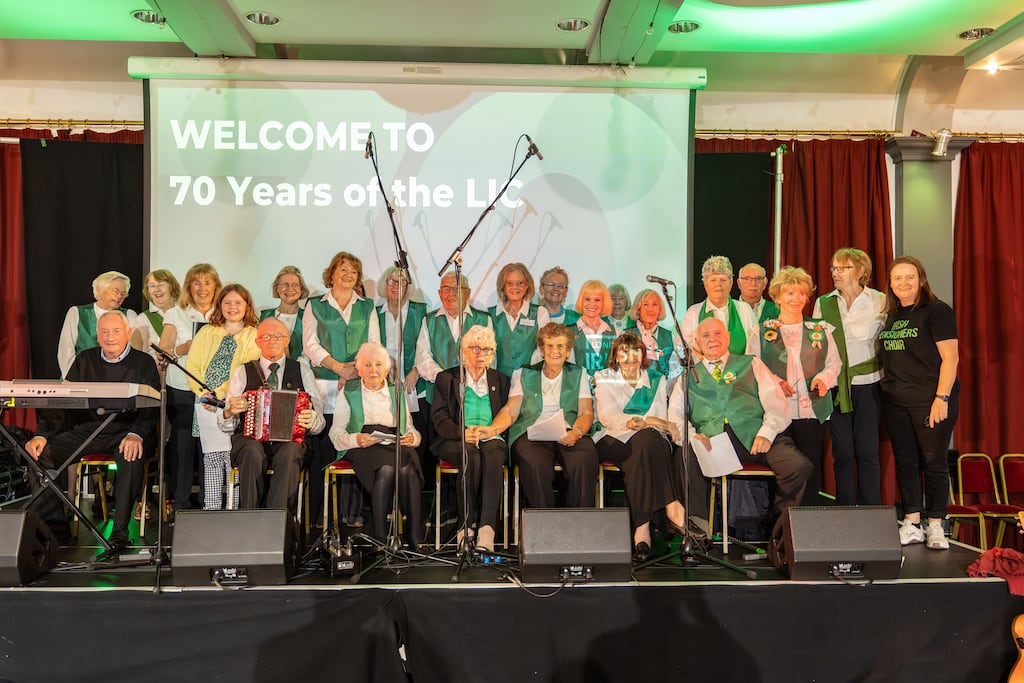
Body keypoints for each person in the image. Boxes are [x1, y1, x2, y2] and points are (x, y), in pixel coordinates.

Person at [26, 311, 160, 552]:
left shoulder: (144, 363)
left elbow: (152, 410)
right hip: (89, 432)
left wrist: (137, 433)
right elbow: (62, 403)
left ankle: (120, 530)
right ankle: (53, 527)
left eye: (116, 331)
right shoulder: (84, 360)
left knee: (131, 454)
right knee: (37, 455)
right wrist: (41, 435)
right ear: (97, 336)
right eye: (104, 332)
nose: (110, 338)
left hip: (126, 432)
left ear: (128, 334)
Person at [670, 317, 812, 529]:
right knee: (685, 455)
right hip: (713, 442)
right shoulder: (687, 376)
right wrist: (692, 436)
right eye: (706, 336)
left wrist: (766, 432)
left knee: (799, 467)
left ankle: (778, 530)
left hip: (755, 437)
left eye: (718, 333)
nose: (713, 339)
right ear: (697, 344)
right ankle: (698, 530)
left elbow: (776, 402)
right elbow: (675, 415)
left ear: (728, 337)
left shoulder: (751, 363)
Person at [880, 256, 959, 551]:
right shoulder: (891, 315)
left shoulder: (937, 312)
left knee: (934, 462)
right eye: (897, 278)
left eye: (910, 277)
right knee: (906, 463)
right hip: (896, 402)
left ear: (921, 279)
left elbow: (951, 359)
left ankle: (936, 524)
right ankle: (912, 522)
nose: (904, 283)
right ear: (889, 283)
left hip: (930, 400)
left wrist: (942, 398)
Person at [748, 266, 840, 505]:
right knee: (786, 470)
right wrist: (777, 383)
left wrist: (823, 379)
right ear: (777, 297)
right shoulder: (762, 331)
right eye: (789, 293)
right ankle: (782, 527)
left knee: (811, 467)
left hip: (812, 410)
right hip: (777, 412)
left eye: (801, 293)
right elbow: (753, 366)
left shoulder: (819, 330)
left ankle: (810, 528)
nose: (796, 299)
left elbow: (834, 364)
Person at [302, 251, 380, 526]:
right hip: (324, 382)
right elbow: (310, 345)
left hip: (358, 383)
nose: (348, 275)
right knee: (323, 442)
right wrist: (338, 367)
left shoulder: (367, 306)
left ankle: (351, 511)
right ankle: (320, 512)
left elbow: (374, 343)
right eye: (343, 269)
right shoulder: (315, 305)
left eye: (353, 271)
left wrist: (355, 370)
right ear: (331, 274)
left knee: (352, 440)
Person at [593, 333, 684, 561]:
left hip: (647, 442)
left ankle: (641, 531)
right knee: (648, 442)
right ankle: (672, 507)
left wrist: (649, 422)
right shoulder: (604, 377)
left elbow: (660, 417)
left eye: (636, 351)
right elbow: (608, 417)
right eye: (624, 351)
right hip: (613, 438)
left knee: (643, 450)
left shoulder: (656, 378)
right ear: (615, 355)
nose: (630, 357)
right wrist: (643, 422)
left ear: (644, 354)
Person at [219, 317, 325, 511]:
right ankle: (249, 519)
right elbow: (226, 425)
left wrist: (313, 419)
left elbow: (318, 418)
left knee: (291, 451)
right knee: (251, 450)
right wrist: (230, 412)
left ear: (287, 341)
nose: (272, 341)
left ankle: (276, 522)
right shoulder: (243, 371)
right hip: (250, 442)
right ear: (258, 342)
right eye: (266, 336)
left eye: (278, 336)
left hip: (289, 442)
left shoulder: (302, 370)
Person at [490, 323, 598, 509]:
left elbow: (586, 412)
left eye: (560, 346)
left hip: (568, 431)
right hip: (532, 434)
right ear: (541, 350)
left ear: (567, 351)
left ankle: (579, 524)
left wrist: (577, 432)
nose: (554, 351)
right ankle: (544, 524)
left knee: (583, 459)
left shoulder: (579, 373)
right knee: (535, 464)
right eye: (549, 346)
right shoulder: (523, 373)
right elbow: (510, 410)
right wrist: (493, 429)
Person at [328, 342, 423, 547]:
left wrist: (412, 438)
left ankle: (415, 538)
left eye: (379, 364)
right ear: (359, 369)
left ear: (387, 368)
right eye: (368, 365)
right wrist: (356, 440)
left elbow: (411, 428)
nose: (373, 370)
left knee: (409, 470)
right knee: (387, 469)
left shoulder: (395, 390)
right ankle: (380, 537)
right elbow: (335, 434)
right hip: (364, 445)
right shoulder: (350, 391)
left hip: (394, 442)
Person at [813, 248, 886, 506]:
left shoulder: (880, 300)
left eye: (842, 268)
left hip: (870, 385)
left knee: (867, 452)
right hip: (836, 387)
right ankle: (845, 511)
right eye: (833, 268)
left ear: (860, 271)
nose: (835, 273)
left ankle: (871, 511)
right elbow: (817, 347)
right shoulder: (824, 303)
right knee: (843, 453)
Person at [429, 325, 510, 551]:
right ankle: (466, 526)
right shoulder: (447, 378)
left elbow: (505, 414)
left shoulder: (501, 380)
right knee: (470, 456)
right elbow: (439, 418)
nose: (480, 354)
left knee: (493, 455)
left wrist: (490, 431)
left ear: (492, 353)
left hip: (490, 436)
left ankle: (487, 528)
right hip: (455, 438)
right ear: (463, 350)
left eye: (486, 350)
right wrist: (461, 432)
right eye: (475, 348)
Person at [185, 284, 261, 510]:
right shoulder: (207, 332)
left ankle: (232, 508)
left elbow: (247, 370)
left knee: (232, 460)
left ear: (247, 306)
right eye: (227, 302)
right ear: (220, 306)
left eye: (238, 302)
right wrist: (205, 395)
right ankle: (212, 508)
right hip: (206, 404)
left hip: (234, 404)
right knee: (212, 459)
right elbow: (193, 366)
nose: (232, 307)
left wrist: (222, 399)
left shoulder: (253, 334)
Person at [159, 263, 221, 512]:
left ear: (216, 286)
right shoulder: (175, 313)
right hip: (181, 387)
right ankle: (180, 503)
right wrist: (184, 348)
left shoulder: (223, 311)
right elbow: (163, 352)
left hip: (213, 388)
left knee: (211, 444)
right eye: (197, 282)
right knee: (183, 445)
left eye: (207, 282)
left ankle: (210, 502)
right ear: (188, 287)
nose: (202, 288)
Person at [57, 271, 137, 378]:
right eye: (115, 291)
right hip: (80, 378)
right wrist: (73, 379)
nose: (120, 296)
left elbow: (133, 353)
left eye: (124, 293)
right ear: (99, 289)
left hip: (117, 379)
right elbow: (65, 352)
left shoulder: (129, 315)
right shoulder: (77, 313)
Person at [681, 255, 756, 356]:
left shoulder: (744, 309)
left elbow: (755, 345)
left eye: (723, 280)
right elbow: (682, 347)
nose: (718, 284)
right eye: (713, 280)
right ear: (705, 284)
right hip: (704, 370)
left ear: (731, 283)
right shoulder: (693, 312)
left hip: (740, 370)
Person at [490, 262, 550, 376]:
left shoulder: (540, 313)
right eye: (510, 283)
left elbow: (543, 349)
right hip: (498, 382)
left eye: (520, 283)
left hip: (529, 380)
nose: (515, 287)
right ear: (503, 286)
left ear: (527, 285)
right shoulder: (490, 315)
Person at [628, 289, 681, 384]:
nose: (650, 309)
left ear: (660, 310)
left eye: (654, 305)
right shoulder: (626, 336)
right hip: (635, 394)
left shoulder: (670, 337)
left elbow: (676, 372)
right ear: (638, 309)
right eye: (645, 304)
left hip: (663, 394)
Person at [259, 265, 310, 361]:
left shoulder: (309, 317)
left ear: (301, 289)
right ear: (277, 289)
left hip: (301, 372)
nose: (290, 289)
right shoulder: (264, 317)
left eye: (295, 285)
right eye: (284, 284)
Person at [570, 280, 618, 379]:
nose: (592, 304)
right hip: (579, 390)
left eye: (597, 300)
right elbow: (568, 368)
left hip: (608, 390)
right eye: (587, 299)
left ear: (604, 302)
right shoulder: (569, 332)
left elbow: (617, 366)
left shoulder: (614, 332)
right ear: (581, 300)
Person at [130, 269, 181, 359]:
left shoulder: (185, 313)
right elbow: (138, 358)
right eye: (152, 286)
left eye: (161, 284)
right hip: (160, 371)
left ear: (172, 287)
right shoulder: (143, 319)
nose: (157, 289)